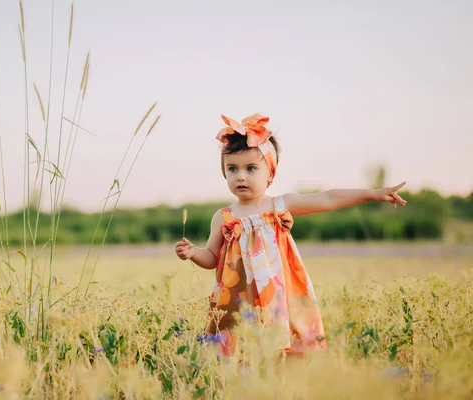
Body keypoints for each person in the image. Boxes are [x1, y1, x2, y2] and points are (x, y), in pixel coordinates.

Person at [174, 113, 407, 357]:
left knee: (286, 346)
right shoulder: (224, 217)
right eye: (232, 169)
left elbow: (328, 198)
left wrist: (372, 194)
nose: (240, 176)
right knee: (240, 348)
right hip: (237, 299)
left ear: (270, 175)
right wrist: (192, 253)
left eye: (251, 168)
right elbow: (211, 257)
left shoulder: (280, 205)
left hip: (279, 295)